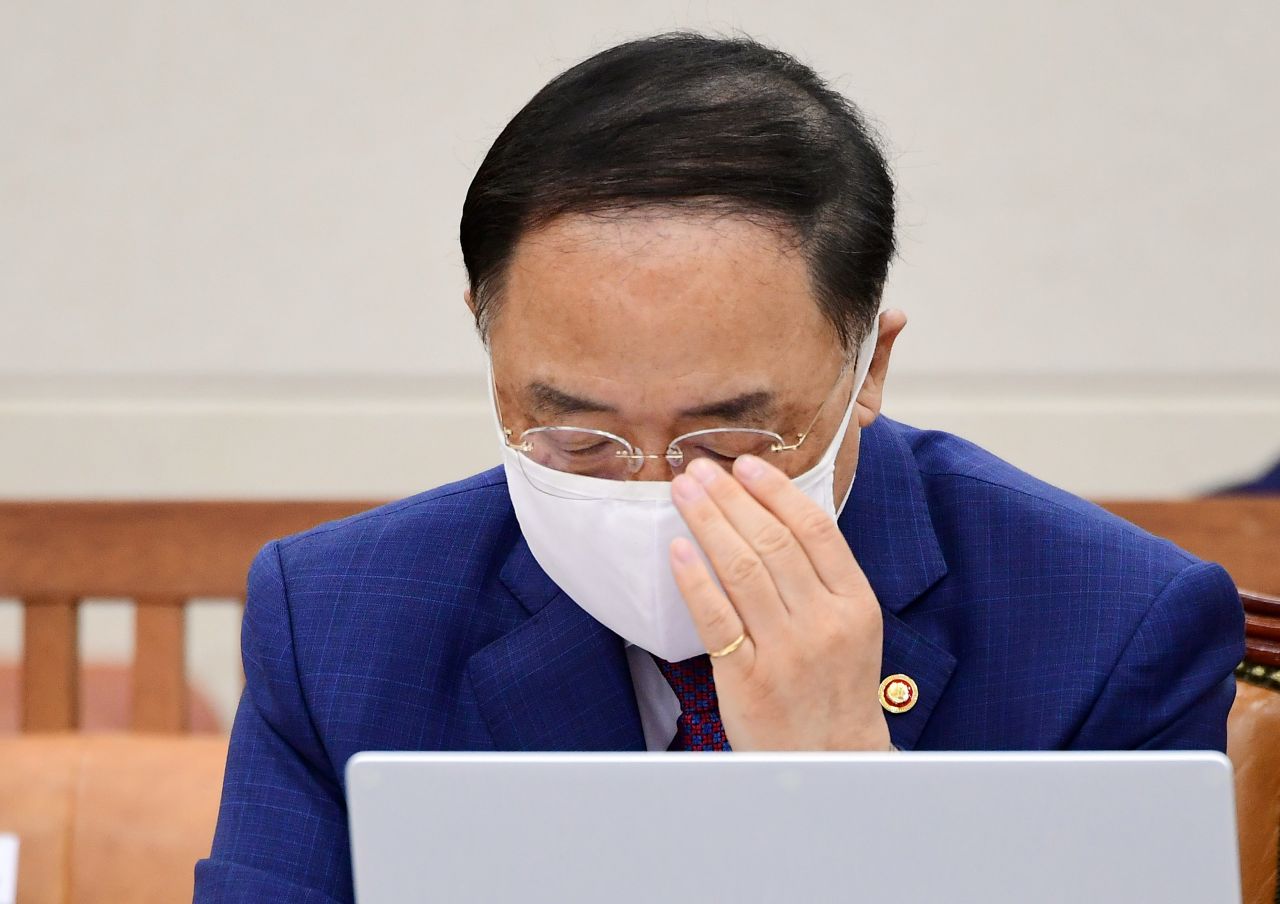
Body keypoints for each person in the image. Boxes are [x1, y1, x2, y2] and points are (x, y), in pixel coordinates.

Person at [194, 32, 1245, 901]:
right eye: (578, 437)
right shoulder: (337, 618)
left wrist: (853, 791)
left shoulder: (1113, 626)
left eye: (729, 442)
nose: (656, 491)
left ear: (868, 367)